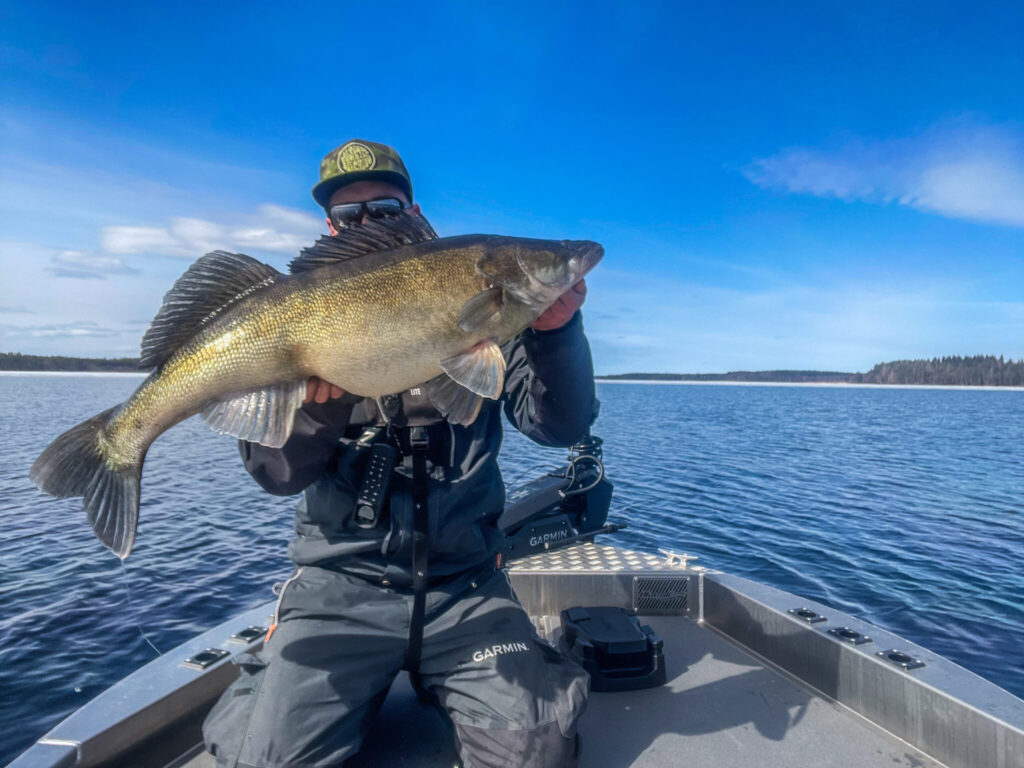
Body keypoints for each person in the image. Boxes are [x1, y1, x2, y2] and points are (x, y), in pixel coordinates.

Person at [203, 139, 597, 768]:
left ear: (413, 211)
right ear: (329, 227)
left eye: (384, 208)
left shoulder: (488, 306)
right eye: (348, 214)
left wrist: (558, 334)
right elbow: (275, 474)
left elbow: (558, 427)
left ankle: (504, 672)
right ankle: (270, 683)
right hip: (339, 592)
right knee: (267, 760)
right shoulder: (300, 313)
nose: (367, 223)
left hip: (466, 587)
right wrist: (321, 405)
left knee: (536, 752)